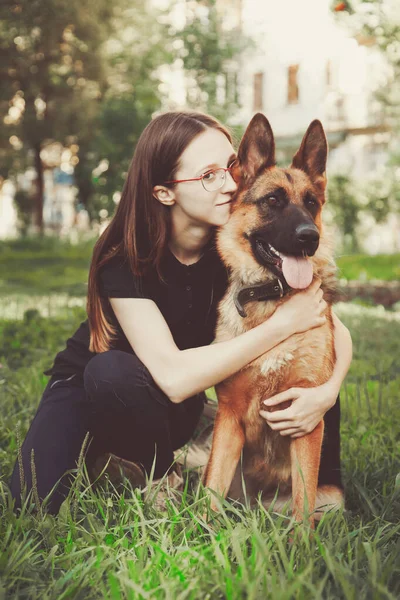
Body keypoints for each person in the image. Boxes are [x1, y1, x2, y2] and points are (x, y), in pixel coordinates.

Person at [9, 111, 352, 516]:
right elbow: (172, 376)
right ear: (164, 192)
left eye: (230, 166)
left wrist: (326, 393)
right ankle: (134, 461)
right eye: (209, 175)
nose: (230, 182)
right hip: (97, 383)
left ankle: (166, 462)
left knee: (143, 387)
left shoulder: (234, 245)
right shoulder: (126, 253)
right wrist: (280, 326)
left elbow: (328, 325)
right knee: (30, 499)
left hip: (169, 400)